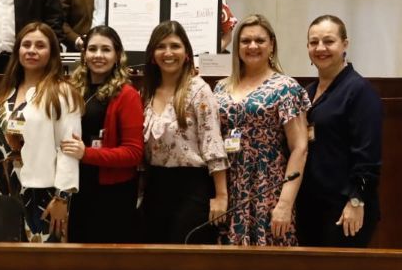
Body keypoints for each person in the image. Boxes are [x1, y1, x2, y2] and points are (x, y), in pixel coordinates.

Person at [214, 14, 309, 245]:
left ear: (272, 45)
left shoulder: (285, 87)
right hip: (229, 184)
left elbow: (300, 148)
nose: (252, 46)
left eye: (260, 40)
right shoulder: (221, 87)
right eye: (245, 41)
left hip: (268, 186)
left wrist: (285, 204)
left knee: (269, 258)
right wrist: (219, 193)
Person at [0, 22, 81, 242]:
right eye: (26, 44)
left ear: (52, 53)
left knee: (42, 265)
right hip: (4, 191)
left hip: (43, 195)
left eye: (40, 45)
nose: (31, 50)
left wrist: (62, 197)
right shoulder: (7, 89)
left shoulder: (62, 92)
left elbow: (68, 147)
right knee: (8, 264)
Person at [296, 15, 383, 247]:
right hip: (310, 206)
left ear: (345, 44)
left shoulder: (359, 91)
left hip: (345, 210)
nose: (320, 48)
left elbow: (368, 156)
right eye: (313, 42)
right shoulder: (307, 92)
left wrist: (356, 201)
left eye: (329, 41)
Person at [140, 21, 229, 244]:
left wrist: (221, 196)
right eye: (161, 47)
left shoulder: (198, 89)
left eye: (175, 46)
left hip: (192, 188)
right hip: (155, 186)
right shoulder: (147, 92)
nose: (168, 53)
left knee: (185, 259)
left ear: (187, 53)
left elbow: (213, 143)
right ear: (152, 54)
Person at [60, 26, 143, 243]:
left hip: (112, 194)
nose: (98, 55)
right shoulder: (72, 89)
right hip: (76, 189)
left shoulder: (127, 95)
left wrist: (86, 154)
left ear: (117, 56)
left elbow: (134, 153)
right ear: (84, 54)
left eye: (106, 50)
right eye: (92, 49)